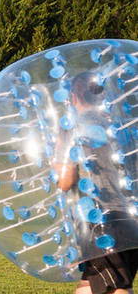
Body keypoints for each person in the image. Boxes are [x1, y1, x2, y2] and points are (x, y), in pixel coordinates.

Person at [55, 72, 138, 294]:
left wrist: (55, 165)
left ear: (73, 97)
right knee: (90, 284)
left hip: (102, 219)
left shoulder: (74, 128)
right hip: (132, 216)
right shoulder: (122, 126)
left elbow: (66, 180)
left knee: (116, 288)